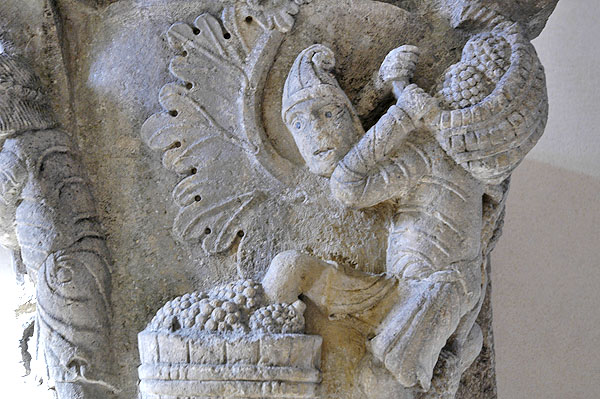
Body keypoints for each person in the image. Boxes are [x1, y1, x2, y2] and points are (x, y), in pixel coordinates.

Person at [264, 43, 487, 398]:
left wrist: (399, 107)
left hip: (428, 287)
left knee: (380, 376)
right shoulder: (377, 153)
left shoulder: (422, 150)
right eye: (300, 123)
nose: (316, 134)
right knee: (287, 268)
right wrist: (385, 87)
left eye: (328, 114)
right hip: (392, 288)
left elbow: (350, 183)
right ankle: (259, 359)